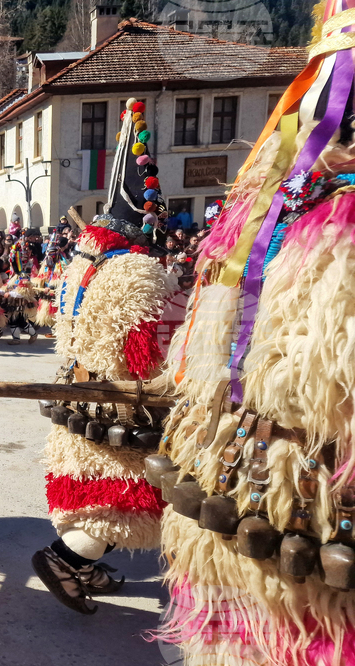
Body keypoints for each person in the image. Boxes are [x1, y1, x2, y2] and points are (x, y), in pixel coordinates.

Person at [155, 9, 355, 663]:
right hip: (292, 484)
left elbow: (192, 358)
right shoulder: (298, 225)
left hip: (253, 472)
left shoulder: (257, 228)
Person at [31, 97, 182, 615]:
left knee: (86, 487)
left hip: (77, 386)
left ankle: (84, 561)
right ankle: (64, 559)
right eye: (155, 219)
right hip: (119, 398)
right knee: (124, 495)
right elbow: (141, 350)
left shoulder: (82, 263)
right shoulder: (133, 271)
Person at [0, 240, 38, 345]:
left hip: (20, 302)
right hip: (12, 302)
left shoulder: (25, 275)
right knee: (12, 319)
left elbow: (23, 292)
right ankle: (16, 339)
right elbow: (8, 286)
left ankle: (33, 334)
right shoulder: (14, 276)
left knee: (20, 320)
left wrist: (10, 294)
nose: (11, 263)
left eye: (13, 261)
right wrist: (0, 292)